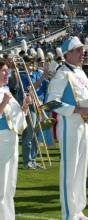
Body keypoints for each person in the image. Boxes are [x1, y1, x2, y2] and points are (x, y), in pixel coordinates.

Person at [47, 36, 88, 220]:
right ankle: (68, 213)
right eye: (78, 50)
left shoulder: (81, 73)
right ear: (68, 54)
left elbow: (87, 98)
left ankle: (78, 210)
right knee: (69, 168)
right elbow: (51, 103)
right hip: (69, 124)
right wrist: (78, 109)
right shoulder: (61, 73)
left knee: (81, 168)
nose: (83, 53)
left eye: (82, 50)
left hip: (83, 124)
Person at [0, 59, 31, 220]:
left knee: (10, 184)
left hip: (11, 140)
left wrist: (25, 106)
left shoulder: (7, 91)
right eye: (4, 71)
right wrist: (4, 101)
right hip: (1, 139)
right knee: (1, 184)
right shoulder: (6, 94)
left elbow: (18, 118)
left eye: (7, 71)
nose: (7, 74)